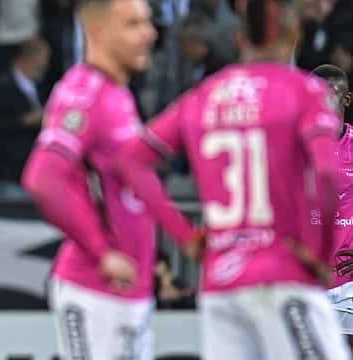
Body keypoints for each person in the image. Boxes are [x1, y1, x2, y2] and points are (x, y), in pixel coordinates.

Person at [117, 0, 351, 358]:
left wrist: (184, 235)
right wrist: (320, 251)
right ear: (295, 37)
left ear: (240, 39)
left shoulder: (204, 95)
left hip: (221, 282)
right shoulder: (303, 93)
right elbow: (326, 173)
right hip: (282, 271)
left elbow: (129, 161)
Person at [22, 1, 199, 358]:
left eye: (148, 23)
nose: (149, 34)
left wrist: (185, 236)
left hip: (130, 288)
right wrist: (102, 253)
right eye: (133, 24)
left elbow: (136, 178)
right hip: (94, 288)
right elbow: (43, 178)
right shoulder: (84, 92)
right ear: (96, 31)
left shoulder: (117, 94)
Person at [312, 64, 353, 349]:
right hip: (308, 280)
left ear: (346, 100)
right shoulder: (297, 148)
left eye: (331, 95)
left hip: (348, 282)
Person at [0, 36, 50, 197]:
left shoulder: (38, 86)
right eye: (44, 59)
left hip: (28, 171)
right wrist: (25, 121)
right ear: (28, 57)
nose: (46, 65)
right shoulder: (0, 83)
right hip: (3, 172)